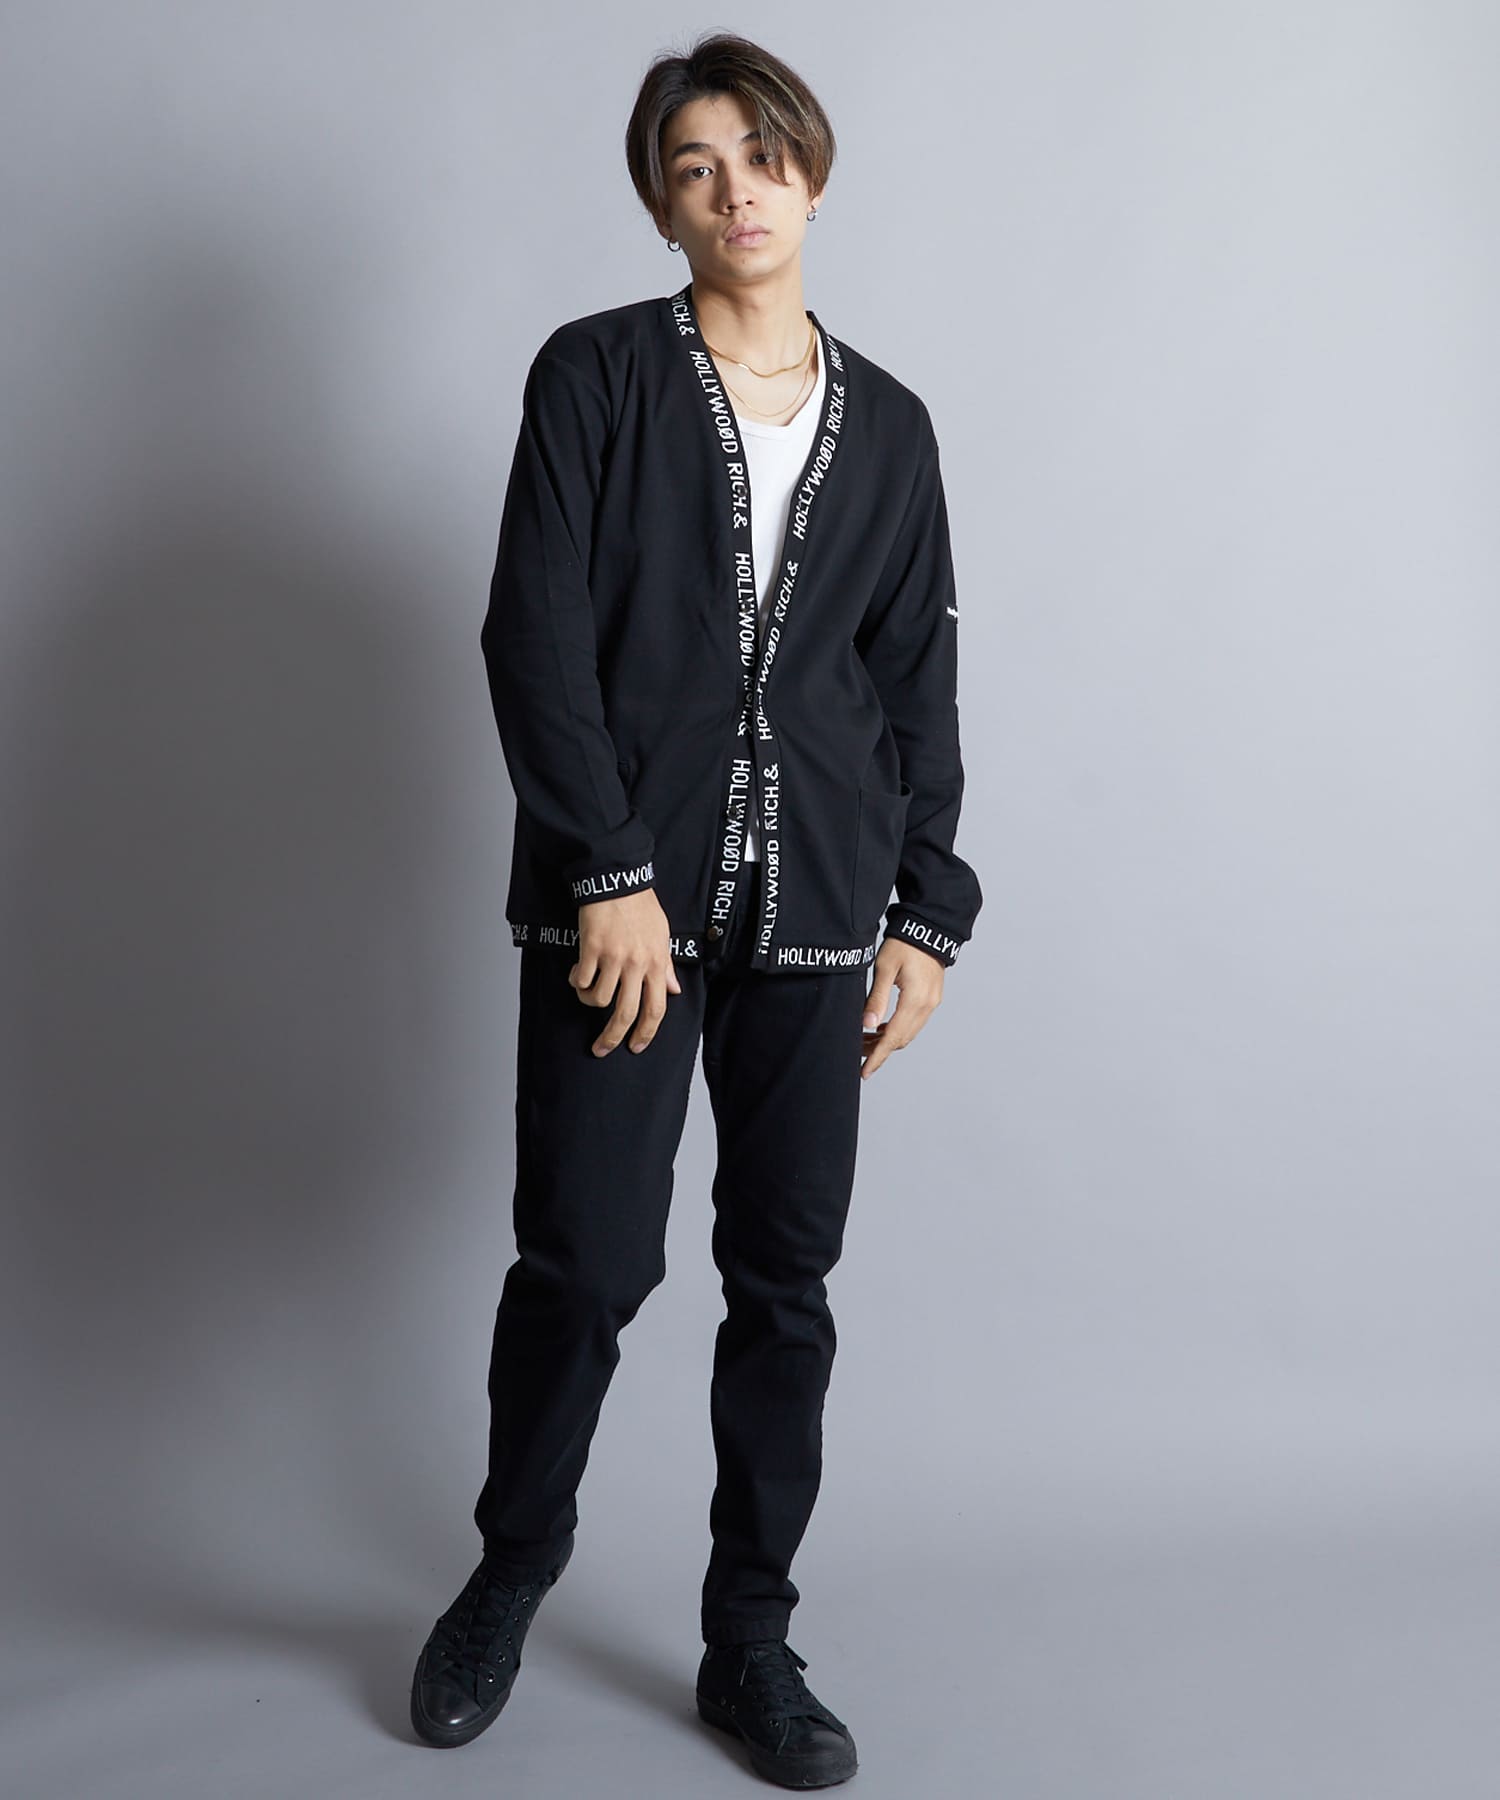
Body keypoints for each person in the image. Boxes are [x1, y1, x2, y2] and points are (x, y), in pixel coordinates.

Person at [410, 30, 982, 1789]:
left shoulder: (893, 426)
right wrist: (607, 871)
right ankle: (510, 1572)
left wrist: (927, 909)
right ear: (662, 206)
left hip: (820, 913)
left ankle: (751, 1638)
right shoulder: (595, 377)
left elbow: (914, 677)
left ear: (814, 172)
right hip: (624, 918)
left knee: (784, 1280)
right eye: (694, 167)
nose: (736, 192)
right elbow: (533, 633)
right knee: (584, 1261)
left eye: (762, 156)